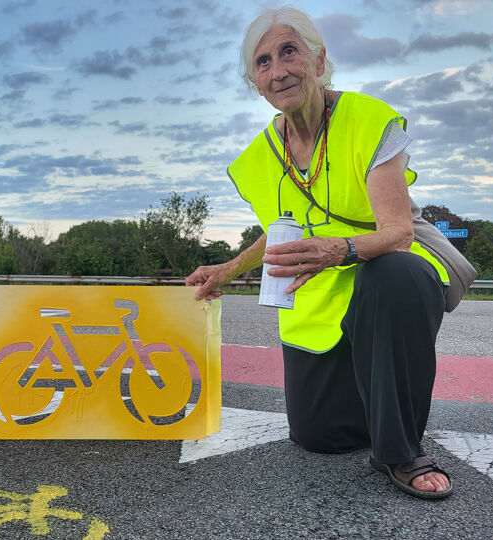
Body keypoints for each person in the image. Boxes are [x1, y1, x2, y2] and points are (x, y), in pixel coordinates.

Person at [186, 7, 453, 499]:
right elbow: (279, 231)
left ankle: (399, 450)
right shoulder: (261, 153)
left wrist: (341, 248)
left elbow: (397, 234)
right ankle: (376, 405)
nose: (279, 69)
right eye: (263, 62)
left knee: (393, 274)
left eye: (289, 51)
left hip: (386, 276)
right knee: (318, 437)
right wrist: (229, 269)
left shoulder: (367, 119)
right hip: (319, 293)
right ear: (257, 83)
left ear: (319, 59)